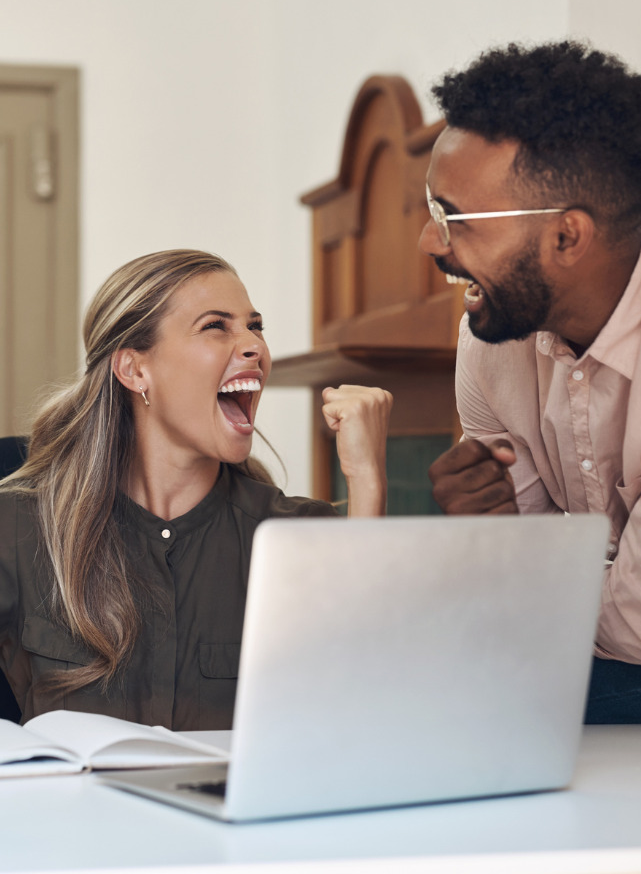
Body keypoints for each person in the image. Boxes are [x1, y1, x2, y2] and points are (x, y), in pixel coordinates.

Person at [419, 40, 641, 723]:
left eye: (454, 217)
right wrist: (488, 531)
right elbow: (527, 560)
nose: (430, 241)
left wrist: (509, 581)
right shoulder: (491, 335)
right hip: (603, 645)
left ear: (567, 238)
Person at [0, 249, 392, 729]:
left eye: (255, 326)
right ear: (134, 370)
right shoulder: (18, 528)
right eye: (216, 326)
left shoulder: (297, 536)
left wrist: (367, 479)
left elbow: (368, 707)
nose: (253, 346)